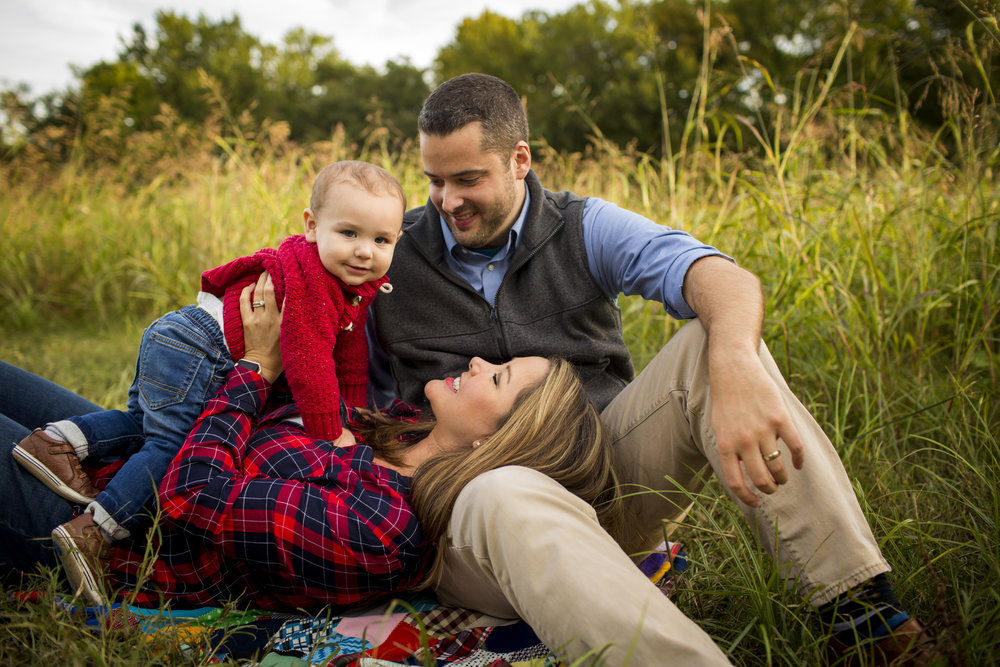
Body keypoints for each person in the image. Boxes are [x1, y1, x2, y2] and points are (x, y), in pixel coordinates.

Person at [368, 73, 936, 665]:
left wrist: (736, 361)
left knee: (709, 345)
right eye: (434, 181)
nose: (447, 201)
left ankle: (864, 621)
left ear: (519, 160)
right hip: (473, 513)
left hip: (606, 480)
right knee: (504, 488)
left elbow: (719, 278)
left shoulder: (583, 226)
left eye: (467, 180)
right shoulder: (389, 255)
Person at [1, 272, 622, 613]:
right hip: (133, 451)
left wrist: (257, 370)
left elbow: (187, 495)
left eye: (500, 377)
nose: (482, 361)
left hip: (107, 530)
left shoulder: (381, 529)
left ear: (504, 441)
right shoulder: (400, 427)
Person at [12, 160, 405, 592]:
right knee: (173, 447)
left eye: (380, 239)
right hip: (203, 348)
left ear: (396, 241)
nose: (365, 250)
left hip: (184, 334)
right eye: (349, 233)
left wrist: (353, 413)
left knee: (147, 427)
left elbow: (348, 355)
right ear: (312, 226)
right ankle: (95, 531)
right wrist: (330, 431)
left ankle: (59, 440)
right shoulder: (314, 282)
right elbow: (309, 361)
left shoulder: (353, 286)